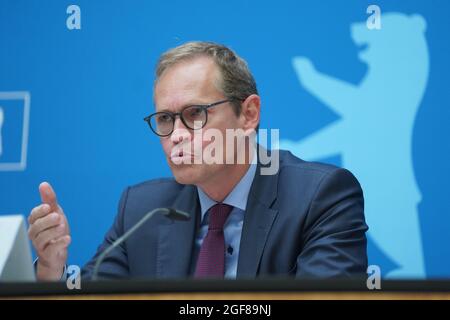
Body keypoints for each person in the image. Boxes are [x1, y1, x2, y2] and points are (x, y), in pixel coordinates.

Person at [27, 41, 368, 281]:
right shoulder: (142, 210)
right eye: (164, 119)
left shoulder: (320, 197)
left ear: (248, 114)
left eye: (195, 114)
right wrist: (52, 270)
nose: (176, 135)